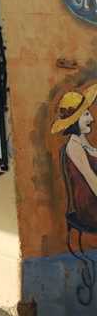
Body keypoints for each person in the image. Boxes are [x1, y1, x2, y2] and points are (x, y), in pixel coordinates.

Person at [52, 84, 97, 228]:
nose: (91, 118)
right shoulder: (74, 147)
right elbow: (92, 181)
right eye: (86, 114)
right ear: (74, 121)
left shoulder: (82, 141)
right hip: (89, 208)